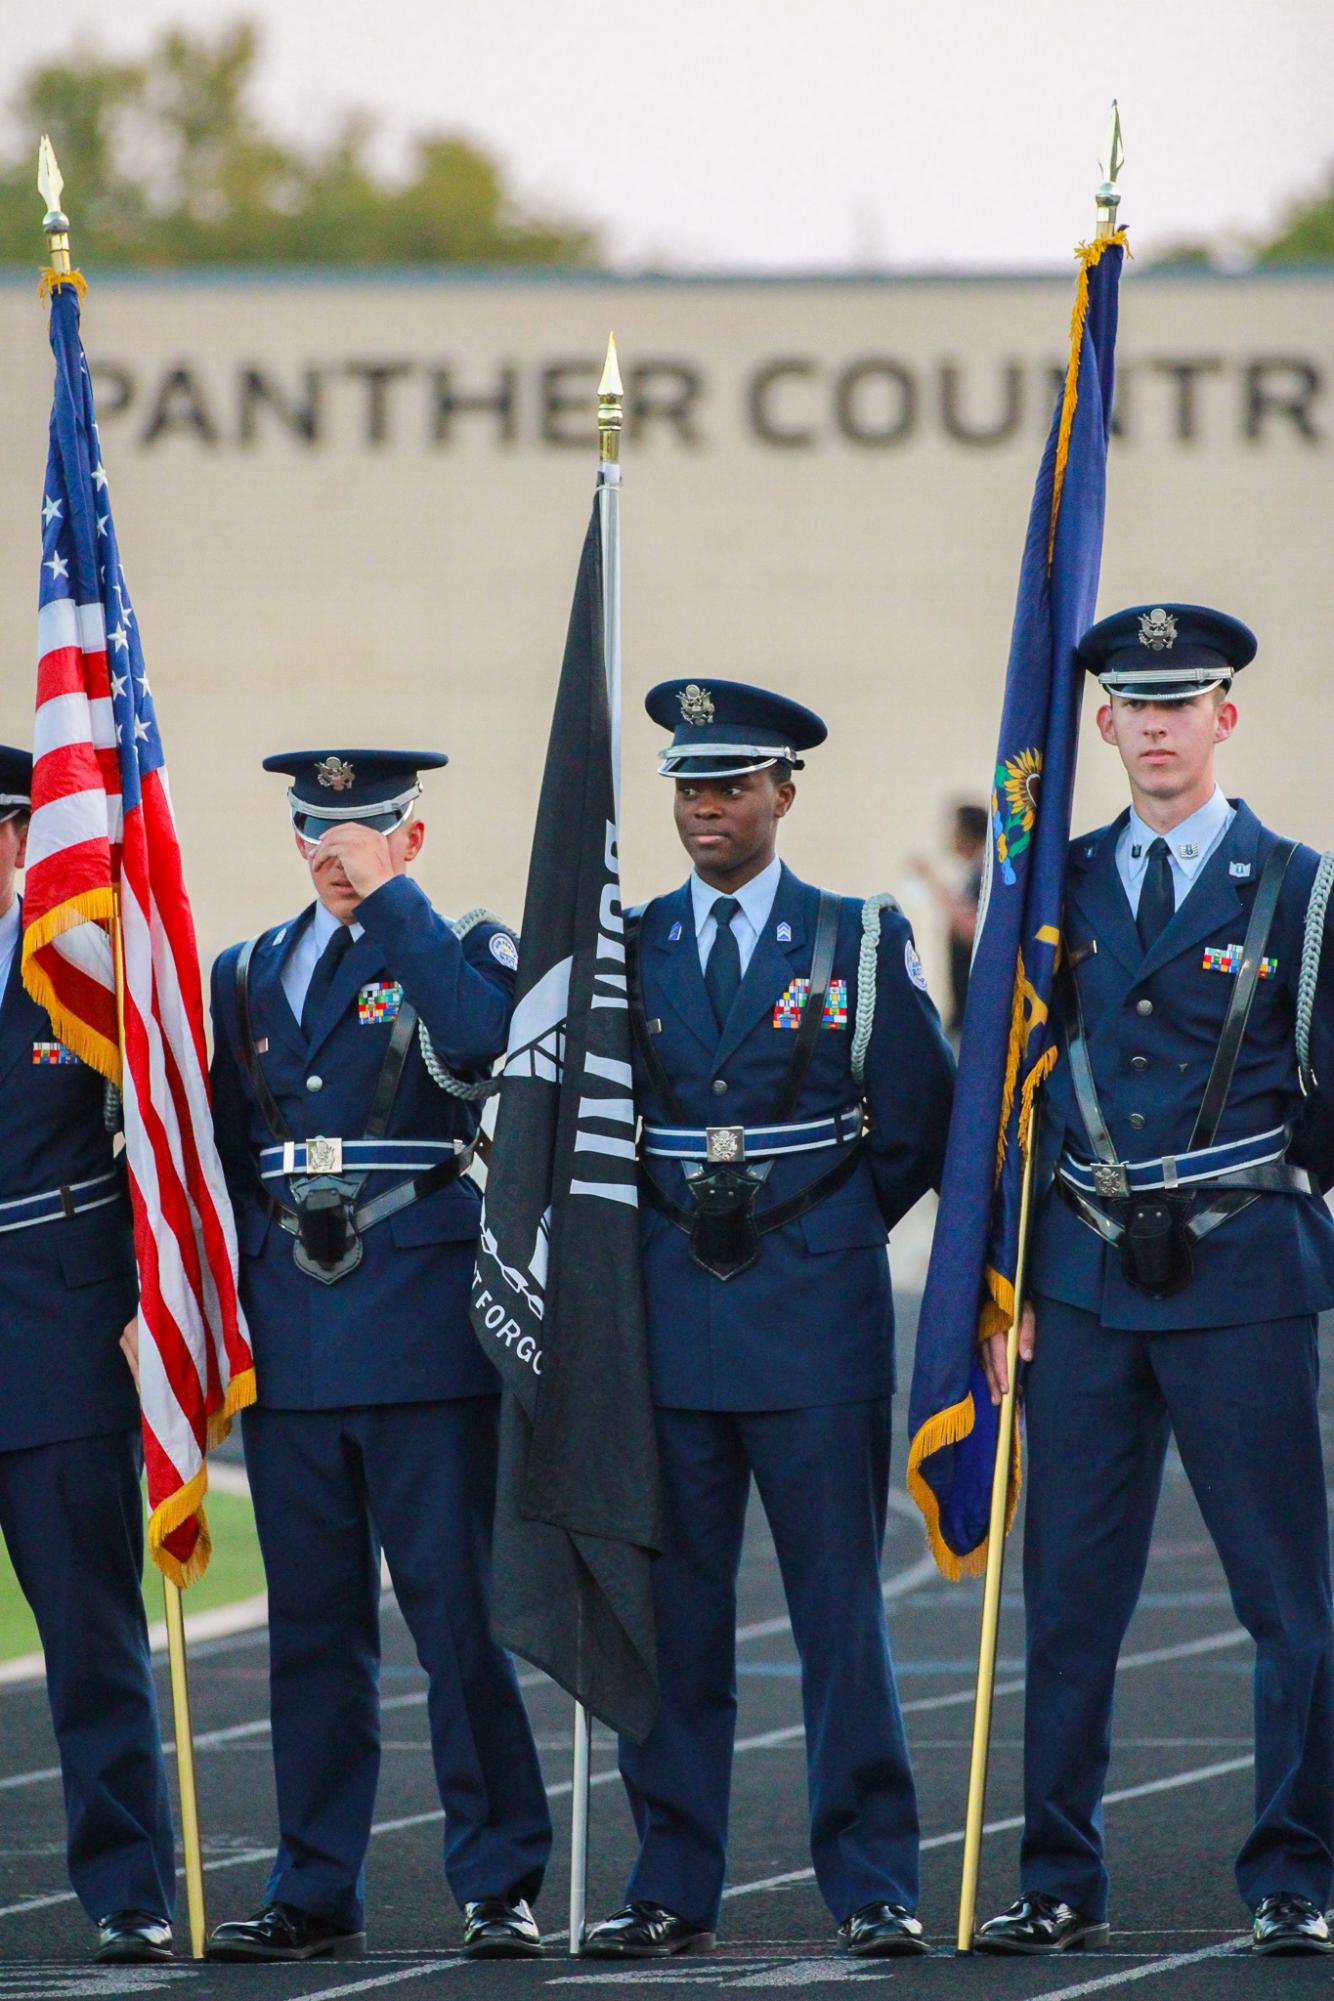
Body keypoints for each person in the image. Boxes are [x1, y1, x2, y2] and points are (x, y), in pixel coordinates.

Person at [976, 605, 1334, 1960]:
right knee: (1065, 1599)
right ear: (1104, 725)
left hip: (1238, 1275)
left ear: (1222, 718)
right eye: (1135, 704)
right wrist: (996, 1294)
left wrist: (1234, 1191)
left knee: (1283, 1601)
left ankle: (1292, 1872)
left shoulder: (1298, 889)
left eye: (1183, 702)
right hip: (1078, 1284)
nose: (1159, 725)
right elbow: (1000, 1104)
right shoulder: (1047, 888)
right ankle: (1058, 1874)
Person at [582, 681, 955, 1961]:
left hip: (813, 1322)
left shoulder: (852, 935)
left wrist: (814, 1230)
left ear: (782, 793)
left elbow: (914, 1120)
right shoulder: (628, 942)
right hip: (672, 1320)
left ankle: (869, 1883)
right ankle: (668, 1885)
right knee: (674, 1628)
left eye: (730, 786)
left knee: (838, 1620)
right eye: (689, 785)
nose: (705, 807)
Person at [204, 749, 551, 1963]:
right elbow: (217, 1151)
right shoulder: (245, 971)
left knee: (455, 1617)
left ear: (410, 836)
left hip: (417, 1329)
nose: (338, 851)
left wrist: (392, 907)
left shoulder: (460, 945)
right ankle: (313, 1883)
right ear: (295, 836)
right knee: (310, 1632)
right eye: (320, 830)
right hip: (293, 1335)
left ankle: (498, 1876)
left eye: (366, 830)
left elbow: (480, 1044)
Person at [0, 743, 175, 1964]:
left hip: (57, 1332)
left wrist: (155, 1297)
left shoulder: (83, 967)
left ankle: (128, 1891)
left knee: (92, 1638)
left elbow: (170, 1136)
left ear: (22, 838)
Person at [908, 802, 988, 1037]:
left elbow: (974, 931)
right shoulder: (974, 873)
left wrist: (933, 881)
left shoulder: (985, 873)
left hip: (972, 1019)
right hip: (964, 1013)